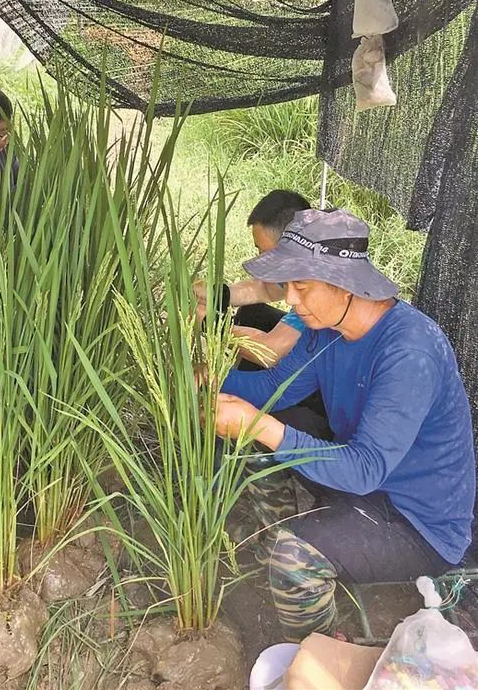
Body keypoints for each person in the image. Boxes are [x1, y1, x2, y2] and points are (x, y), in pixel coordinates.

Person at [213, 208, 476, 641]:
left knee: (296, 556)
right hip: (361, 482)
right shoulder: (328, 329)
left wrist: (257, 425)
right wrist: (202, 381)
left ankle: (319, 650)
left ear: (345, 284)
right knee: (269, 427)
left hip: (416, 521)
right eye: (289, 286)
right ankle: (277, 537)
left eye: (302, 287)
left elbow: (364, 468)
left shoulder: (409, 351)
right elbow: (276, 386)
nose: (291, 301)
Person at [194, 189, 311, 367]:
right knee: (253, 314)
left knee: (260, 354)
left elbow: (269, 352)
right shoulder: (299, 260)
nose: (259, 259)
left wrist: (211, 324)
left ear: (290, 245)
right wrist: (216, 295)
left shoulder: (317, 283)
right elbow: (265, 289)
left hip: (332, 383)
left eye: (264, 252)